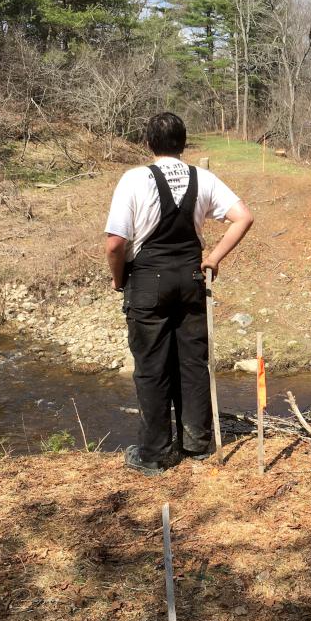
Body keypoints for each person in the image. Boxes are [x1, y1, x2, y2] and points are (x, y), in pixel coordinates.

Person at [104, 112, 254, 476]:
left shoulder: (134, 179)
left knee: (152, 368)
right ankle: (197, 443)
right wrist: (213, 258)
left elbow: (115, 244)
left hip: (147, 282)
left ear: (148, 143)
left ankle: (154, 454)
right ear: (184, 143)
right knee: (191, 362)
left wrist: (117, 278)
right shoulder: (203, 178)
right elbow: (244, 217)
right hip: (190, 279)